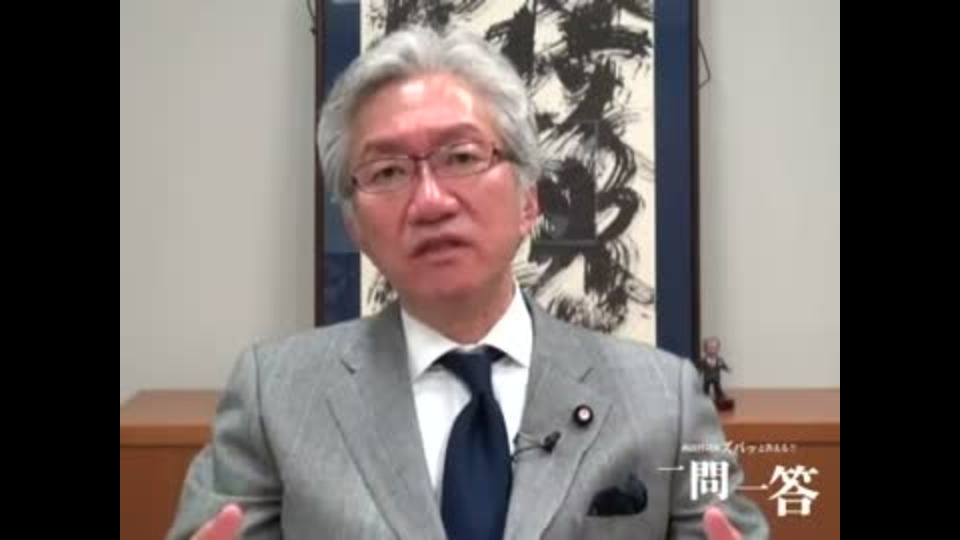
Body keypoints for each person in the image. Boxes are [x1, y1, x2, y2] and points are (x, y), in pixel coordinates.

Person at [167, 25, 769, 540]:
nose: (430, 202)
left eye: (461, 158)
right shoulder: (276, 398)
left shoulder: (665, 399)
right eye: (387, 171)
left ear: (529, 200)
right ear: (354, 225)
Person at [698, 337, 734, 411]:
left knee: (717, 387)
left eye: (714, 348)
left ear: (718, 349)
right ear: (705, 349)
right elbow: (700, 368)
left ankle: (720, 396)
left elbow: (724, 366)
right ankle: (704, 397)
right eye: (709, 348)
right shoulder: (703, 361)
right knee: (705, 388)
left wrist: (728, 369)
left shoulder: (719, 360)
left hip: (716, 378)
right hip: (707, 378)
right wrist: (698, 373)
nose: (712, 350)